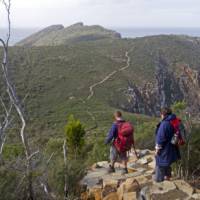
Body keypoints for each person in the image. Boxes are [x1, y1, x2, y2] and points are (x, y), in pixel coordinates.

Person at [155, 107, 181, 182]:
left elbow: (160, 138)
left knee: (160, 165)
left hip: (164, 150)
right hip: (171, 148)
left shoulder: (164, 124)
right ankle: (168, 179)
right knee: (167, 163)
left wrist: (157, 150)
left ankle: (160, 184)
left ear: (163, 114)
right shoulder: (174, 121)